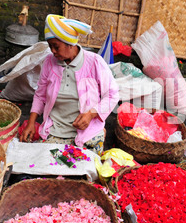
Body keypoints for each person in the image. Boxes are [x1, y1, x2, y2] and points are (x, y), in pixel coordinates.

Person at [19, 14, 119, 155]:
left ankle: (100, 131)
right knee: (48, 167)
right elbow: (40, 95)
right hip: (56, 130)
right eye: (50, 46)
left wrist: (91, 114)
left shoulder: (95, 62)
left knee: (83, 170)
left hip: (87, 131)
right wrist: (31, 123)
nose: (52, 51)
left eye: (56, 46)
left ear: (70, 43)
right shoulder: (49, 62)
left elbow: (112, 95)